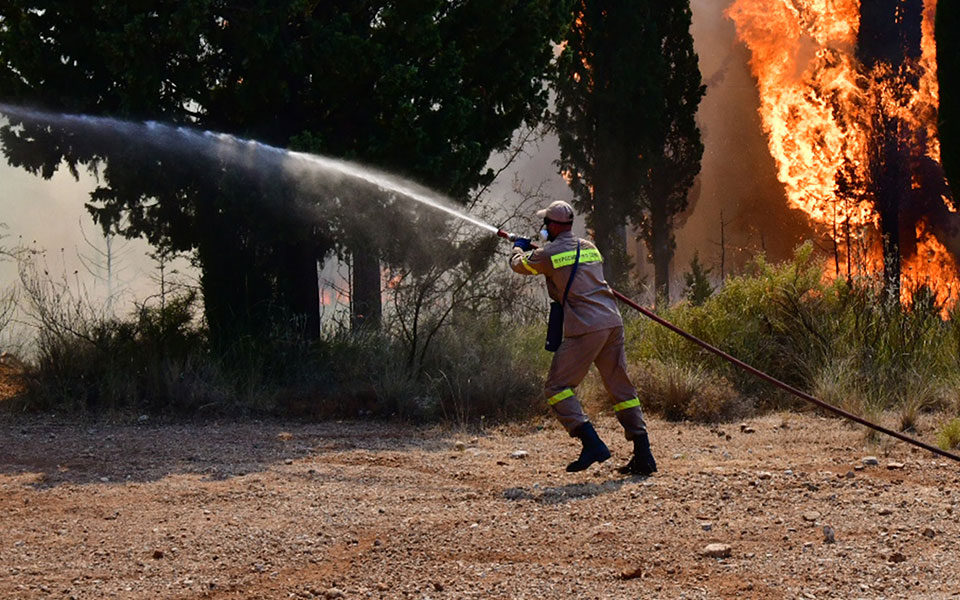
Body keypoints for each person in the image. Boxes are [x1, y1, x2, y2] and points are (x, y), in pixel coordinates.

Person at [509, 200, 657, 475]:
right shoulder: (589, 247)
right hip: (612, 322)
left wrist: (519, 246)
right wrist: (541, 250)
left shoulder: (549, 253)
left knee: (557, 387)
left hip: (586, 328)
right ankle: (643, 454)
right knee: (621, 390)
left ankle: (591, 442)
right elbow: (568, 267)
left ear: (552, 226)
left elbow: (520, 266)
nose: (543, 227)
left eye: (545, 224)